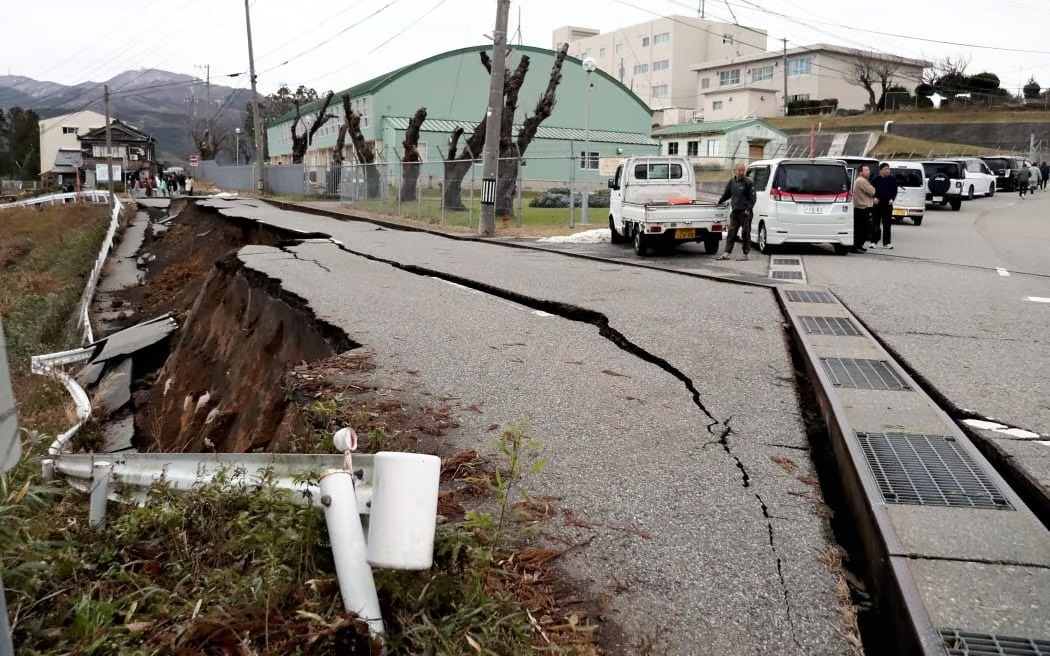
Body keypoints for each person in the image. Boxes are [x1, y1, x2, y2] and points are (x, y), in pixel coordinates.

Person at [715, 163, 757, 261]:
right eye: (740, 170)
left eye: (743, 170)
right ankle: (727, 253)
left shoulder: (748, 182)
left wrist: (748, 210)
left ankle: (745, 254)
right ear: (735, 171)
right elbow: (727, 194)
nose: (742, 172)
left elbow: (753, 198)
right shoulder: (732, 182)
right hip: (735, 212)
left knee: (745, 233)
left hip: (745, 213)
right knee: (731, 233)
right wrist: (719, 201)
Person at [870, 163, 898, 250]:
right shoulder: (875, 179)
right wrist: (873, 198)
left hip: (888, 204)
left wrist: (892, 199)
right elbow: (871, 190)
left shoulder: (892, 179)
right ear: (881, 170)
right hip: (877, 204)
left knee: (887, 224)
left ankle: (887, 243)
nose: (888, 171)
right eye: (886, 169)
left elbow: (895, 190)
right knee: (876, 224)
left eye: (888, 169)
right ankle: (874, 242)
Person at [851, 165, 875, 253]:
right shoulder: (861, 180)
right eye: (866, 170)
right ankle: (856, 246)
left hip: (861, 208)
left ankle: (858, 245)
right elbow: (872, 191)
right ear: (860, 172)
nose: (868, 171)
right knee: (863, 229)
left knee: (861, 228)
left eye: (868, 170)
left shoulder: (862, 180)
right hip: (862, 208)